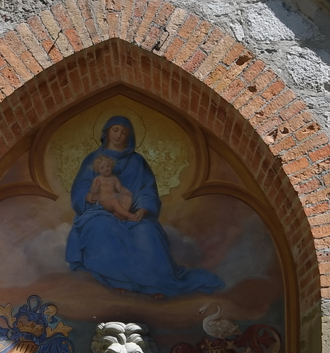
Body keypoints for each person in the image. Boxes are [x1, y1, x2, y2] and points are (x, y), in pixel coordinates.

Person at [65, 115, 223, 299]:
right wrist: (91, 197)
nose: (118, 135)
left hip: (133, 212)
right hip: (100, 212)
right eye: (115, 130)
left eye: (124, 132)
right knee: (100, 227)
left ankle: (156, 284)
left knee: (148, 232)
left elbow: (146, 190)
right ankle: (118, 281)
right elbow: (82, 187)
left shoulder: (137, 161)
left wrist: (142, 209)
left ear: (129, 137)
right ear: (107, 132)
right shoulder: (93, 159)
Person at [86, 155, 138, 221]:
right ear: (98, 170)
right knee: (114, 202)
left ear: (111, 166)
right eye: (102, 168)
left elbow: (120, 188)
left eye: (108, 166)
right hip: (104, 200)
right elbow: (93, 191)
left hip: (114, 196)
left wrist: (126, 192)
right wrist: (97, 186)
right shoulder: (98, 179)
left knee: (128, 198)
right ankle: (129, 215)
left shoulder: (114, 178)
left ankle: (119, 215)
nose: (106, 169)